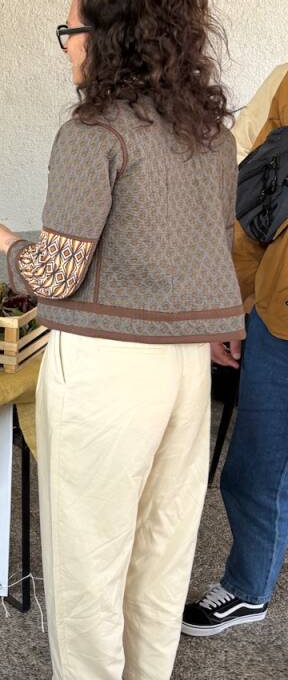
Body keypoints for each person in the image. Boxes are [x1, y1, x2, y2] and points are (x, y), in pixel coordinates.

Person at [0, 0, 243, 679]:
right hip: (183, 372)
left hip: (106, 371)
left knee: (88, 570)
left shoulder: (94, 133)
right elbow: (210, 254)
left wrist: (0, 237)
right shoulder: (210, 135)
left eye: (69, 31)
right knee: (161, 556)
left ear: (108, 39)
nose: (66, 47)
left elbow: (55, 274)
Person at [181, 62, 288, 637]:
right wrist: (234, 306)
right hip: (280, 319)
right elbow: (258, 202)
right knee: (254, 469)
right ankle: (249, 588)